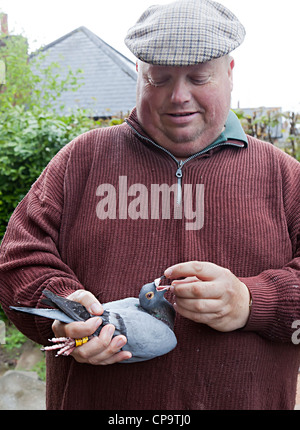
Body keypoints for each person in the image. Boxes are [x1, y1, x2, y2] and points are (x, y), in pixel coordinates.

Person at [0, 0, 300, 410]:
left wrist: (253, 302)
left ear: (230, 73)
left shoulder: (284, 175)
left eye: (198, 77)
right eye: (158, 79)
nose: (179, 97)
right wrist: (64, 314)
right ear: (138, 74)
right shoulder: (81, 160)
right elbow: (18, 258)